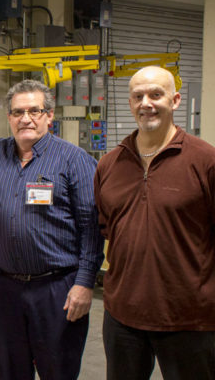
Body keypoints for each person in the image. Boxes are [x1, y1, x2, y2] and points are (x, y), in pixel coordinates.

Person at [0, 79, 104, 379]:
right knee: (10, 371)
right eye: (18, 112)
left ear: (49, 115)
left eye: (35, 110)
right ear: (9, 117)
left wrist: (84, 283)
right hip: (6, 289)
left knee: (57, 371)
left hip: (57, 289)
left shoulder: (75, 160)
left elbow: (92, 227)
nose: (26, 119)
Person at [94, 66, 215, 379]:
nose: (146, 102)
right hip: (122, 315)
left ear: (174, 100)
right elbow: (108, 227)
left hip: (187, 316)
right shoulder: (110, 164)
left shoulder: (205, 161)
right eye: (137, 96)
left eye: (155, 95)